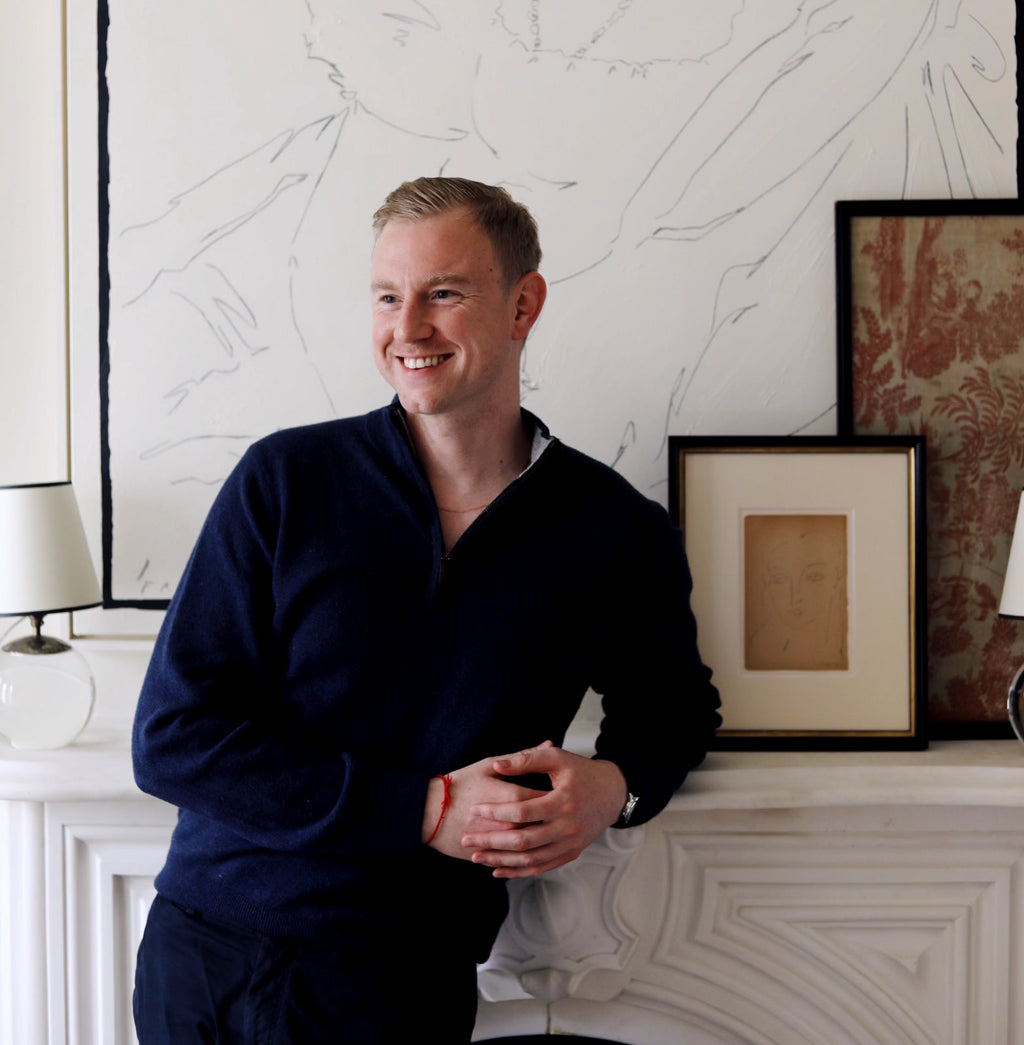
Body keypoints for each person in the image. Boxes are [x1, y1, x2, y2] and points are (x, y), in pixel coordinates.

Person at [131, 176, 720, 1043]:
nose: (407, 329)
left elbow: (676, 708)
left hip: (399, 980)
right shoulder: (284, 481)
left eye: (443, 294)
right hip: (204, 957)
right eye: (387, 297)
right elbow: (173, 738)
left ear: (524, 305)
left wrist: (615, 787)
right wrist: (426, 807)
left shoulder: (614, 531)